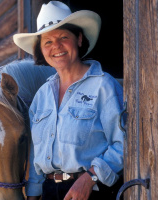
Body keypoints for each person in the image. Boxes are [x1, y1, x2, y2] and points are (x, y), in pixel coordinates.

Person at [13, 1, 124, 200]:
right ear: (41, 49)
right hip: (49, 192)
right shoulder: (41, 96)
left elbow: (123, 143)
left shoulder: (103, 86)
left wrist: (91, 177)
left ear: (79, 39)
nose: (56, 46)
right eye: (47, 41)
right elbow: (36, 153)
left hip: (92, 192)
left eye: (64, 37)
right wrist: (33, 193)